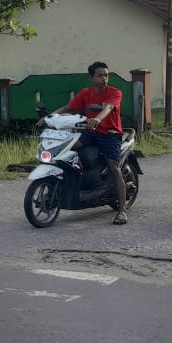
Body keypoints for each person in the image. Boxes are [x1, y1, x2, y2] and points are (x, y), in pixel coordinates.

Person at [43, 61, 130, 224]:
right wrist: (50, 117)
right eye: (100, 75)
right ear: (91, 78)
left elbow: (108, 108)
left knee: (113, 168)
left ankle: (122, 211)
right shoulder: (86, 93)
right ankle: (74, 184)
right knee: (64, 149)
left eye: (106, 75)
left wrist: (97, 118)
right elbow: (68, 108)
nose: (104, 78)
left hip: (110, 135)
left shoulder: (114, 92)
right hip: (91, 133)